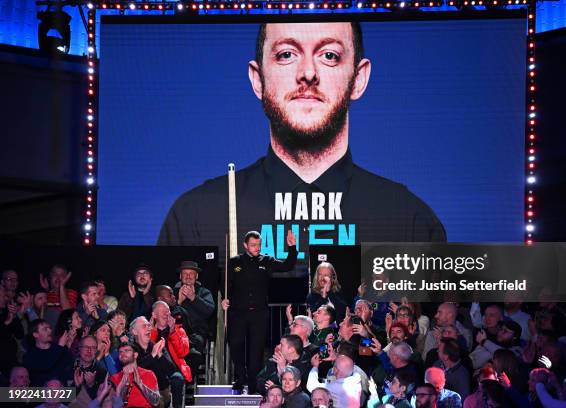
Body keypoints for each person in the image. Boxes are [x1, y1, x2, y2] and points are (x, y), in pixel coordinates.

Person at [158, 21, 446, 250]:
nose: (308, 73)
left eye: (329, 56)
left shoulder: (410, 222)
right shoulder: (194, 218)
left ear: (358, 79)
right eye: (286, 55)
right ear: (258, 80)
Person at [222, 230, 298, 393]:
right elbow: (225, 282)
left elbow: (287, 266)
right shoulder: (234, 262)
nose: (257, 248)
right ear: (245, 245)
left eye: (259, 245)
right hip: (238, 312)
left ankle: (252, 382)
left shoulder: (267, 261)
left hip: (259, 313)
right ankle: (240, 376)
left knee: (256, 349)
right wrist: (224, 298)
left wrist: (292, 248)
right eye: (253, 245)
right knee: (235, 344)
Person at [172, 261, 215, 346]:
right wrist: (179, 302)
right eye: (185, 273)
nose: (188, 276)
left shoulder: (204, 292)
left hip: (196, 336)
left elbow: (209, 311)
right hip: (175, 334)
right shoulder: (172, 293)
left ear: (196, 276)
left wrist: (193, 298)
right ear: (180, 276)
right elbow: (166, 315)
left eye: (191, 273)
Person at [110, 342, 161, 408]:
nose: (122, 354)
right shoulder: (115, 378)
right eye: (120, 352)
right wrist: (123, 386)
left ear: (135, 355)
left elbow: (156, 402)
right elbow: (113, 405)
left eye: (126, 350)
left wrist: (141, 385)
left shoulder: (148, 374)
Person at [23, 319, 73, 386]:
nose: (50, 331)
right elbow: (46, 365)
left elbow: (67, 368)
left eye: (50, 328)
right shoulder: (30, 355)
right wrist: (60, 346)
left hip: (61, 392)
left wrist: (67, 347)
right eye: (45, 329)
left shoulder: (57, 348)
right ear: (35, 334)